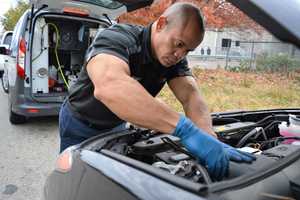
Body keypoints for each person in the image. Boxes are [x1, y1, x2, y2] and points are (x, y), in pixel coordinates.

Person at [59, 2, 255, 180]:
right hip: (79, 122)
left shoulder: (173, 58)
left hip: (116, 125)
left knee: (108, 179)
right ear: (161, 24)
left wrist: (208, 138)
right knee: (77, 179)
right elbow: (110, 86)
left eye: (187, 50)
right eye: (179, 44)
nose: (180, 55)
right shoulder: (117, 38)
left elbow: (190, 95)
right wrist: (185, 130)